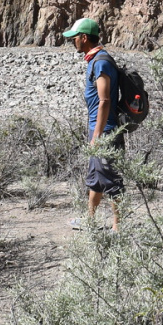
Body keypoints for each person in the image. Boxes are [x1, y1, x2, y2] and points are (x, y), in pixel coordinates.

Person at [64, 16, 122, 230]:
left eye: (74, 38)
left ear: (84, 37)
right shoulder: (96, 60)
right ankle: (90, 220)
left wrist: (97, 134)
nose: (73, 41)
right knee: (96, 177)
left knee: (111, 178)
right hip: (98, 129)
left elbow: (105, 99)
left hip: (105, 130)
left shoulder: (102, 62)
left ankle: (118, 228)